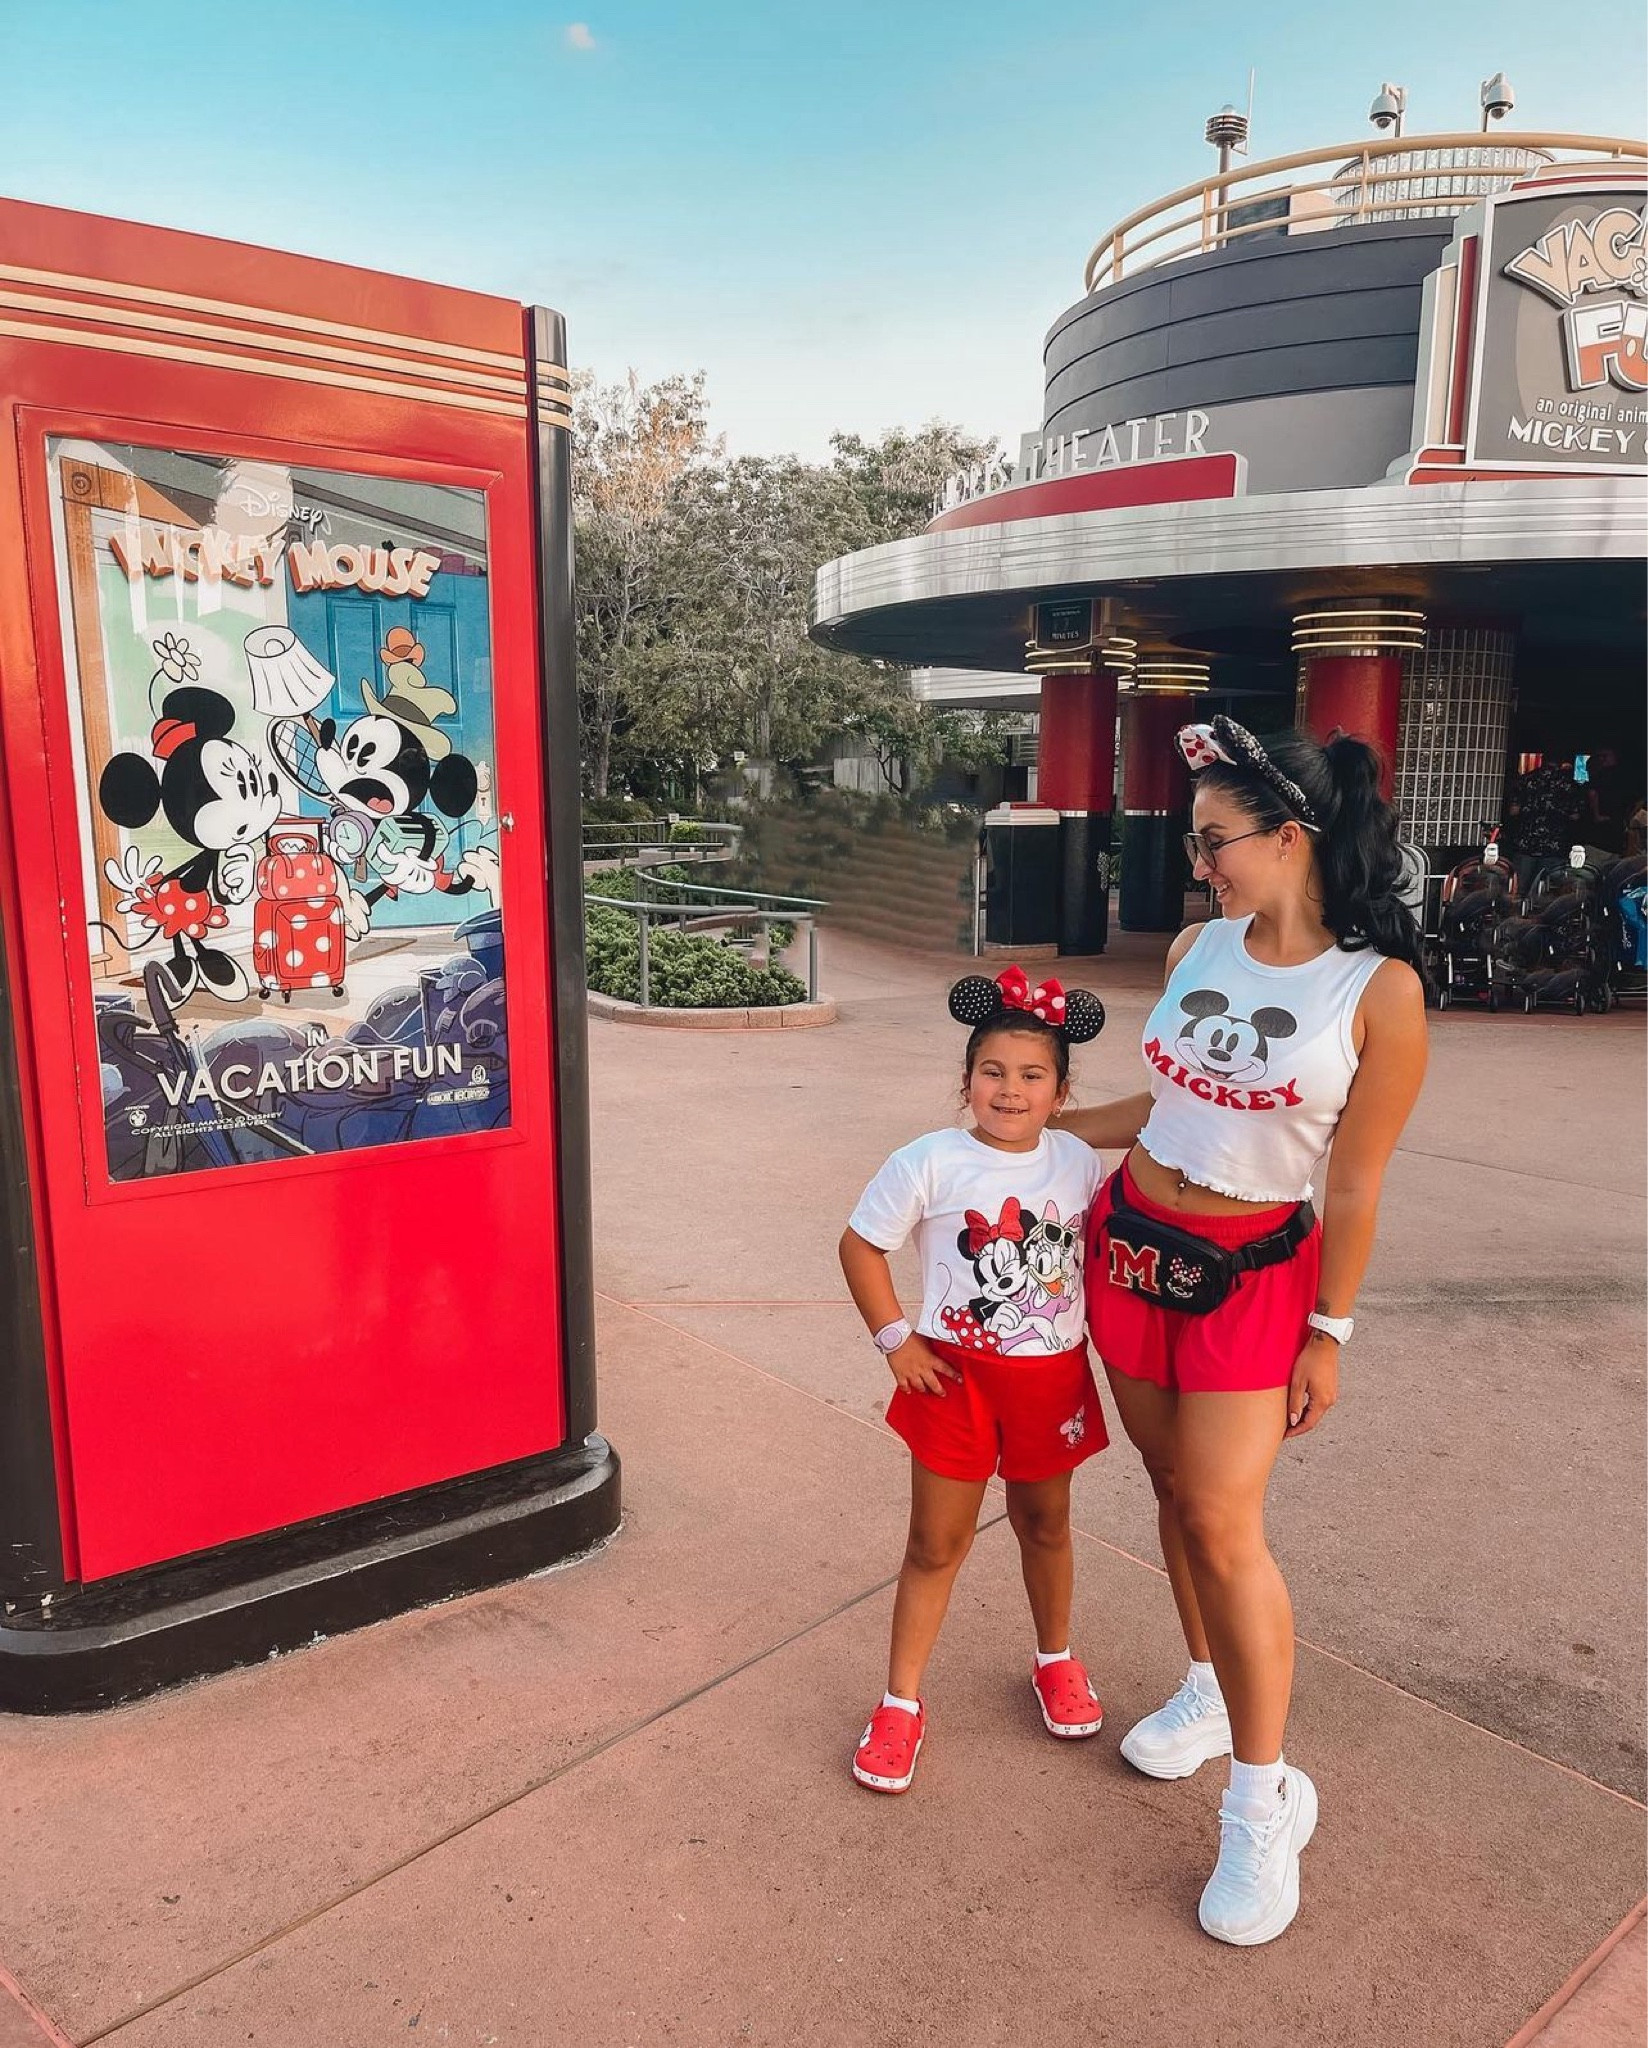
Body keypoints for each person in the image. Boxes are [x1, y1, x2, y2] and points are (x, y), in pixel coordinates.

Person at [1053, 717, 1428, 1947]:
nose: (1199, 864)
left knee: (1223, 1517)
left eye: (1216, 842)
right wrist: (1035, 1127)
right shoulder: (1196, 945)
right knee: (1169, 1488)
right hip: (1128, 1250)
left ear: (1291, 837)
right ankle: (1209, 1687)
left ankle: (1266, 1800)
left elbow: (1358, 1181)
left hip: (1253, 1279)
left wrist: (1332, 1330)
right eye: (1195, 842)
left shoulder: (1376, 990)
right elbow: (1167, 1103)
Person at [838, 966, 1110, 1794]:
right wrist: (895, 1341)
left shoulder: (1081, 1163)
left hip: (1051, 1380)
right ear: (966, 1083)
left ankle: (1055, 1660)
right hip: (952, 1381)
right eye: (992, 1072)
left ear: (1062, 1092)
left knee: (1047, 1527)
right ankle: (900, 1703)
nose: (1010, 1090)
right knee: (934, 1544)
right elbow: (860, 1246)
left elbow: (1150, 1149)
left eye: (1033, 1076)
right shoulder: (929, 1160)